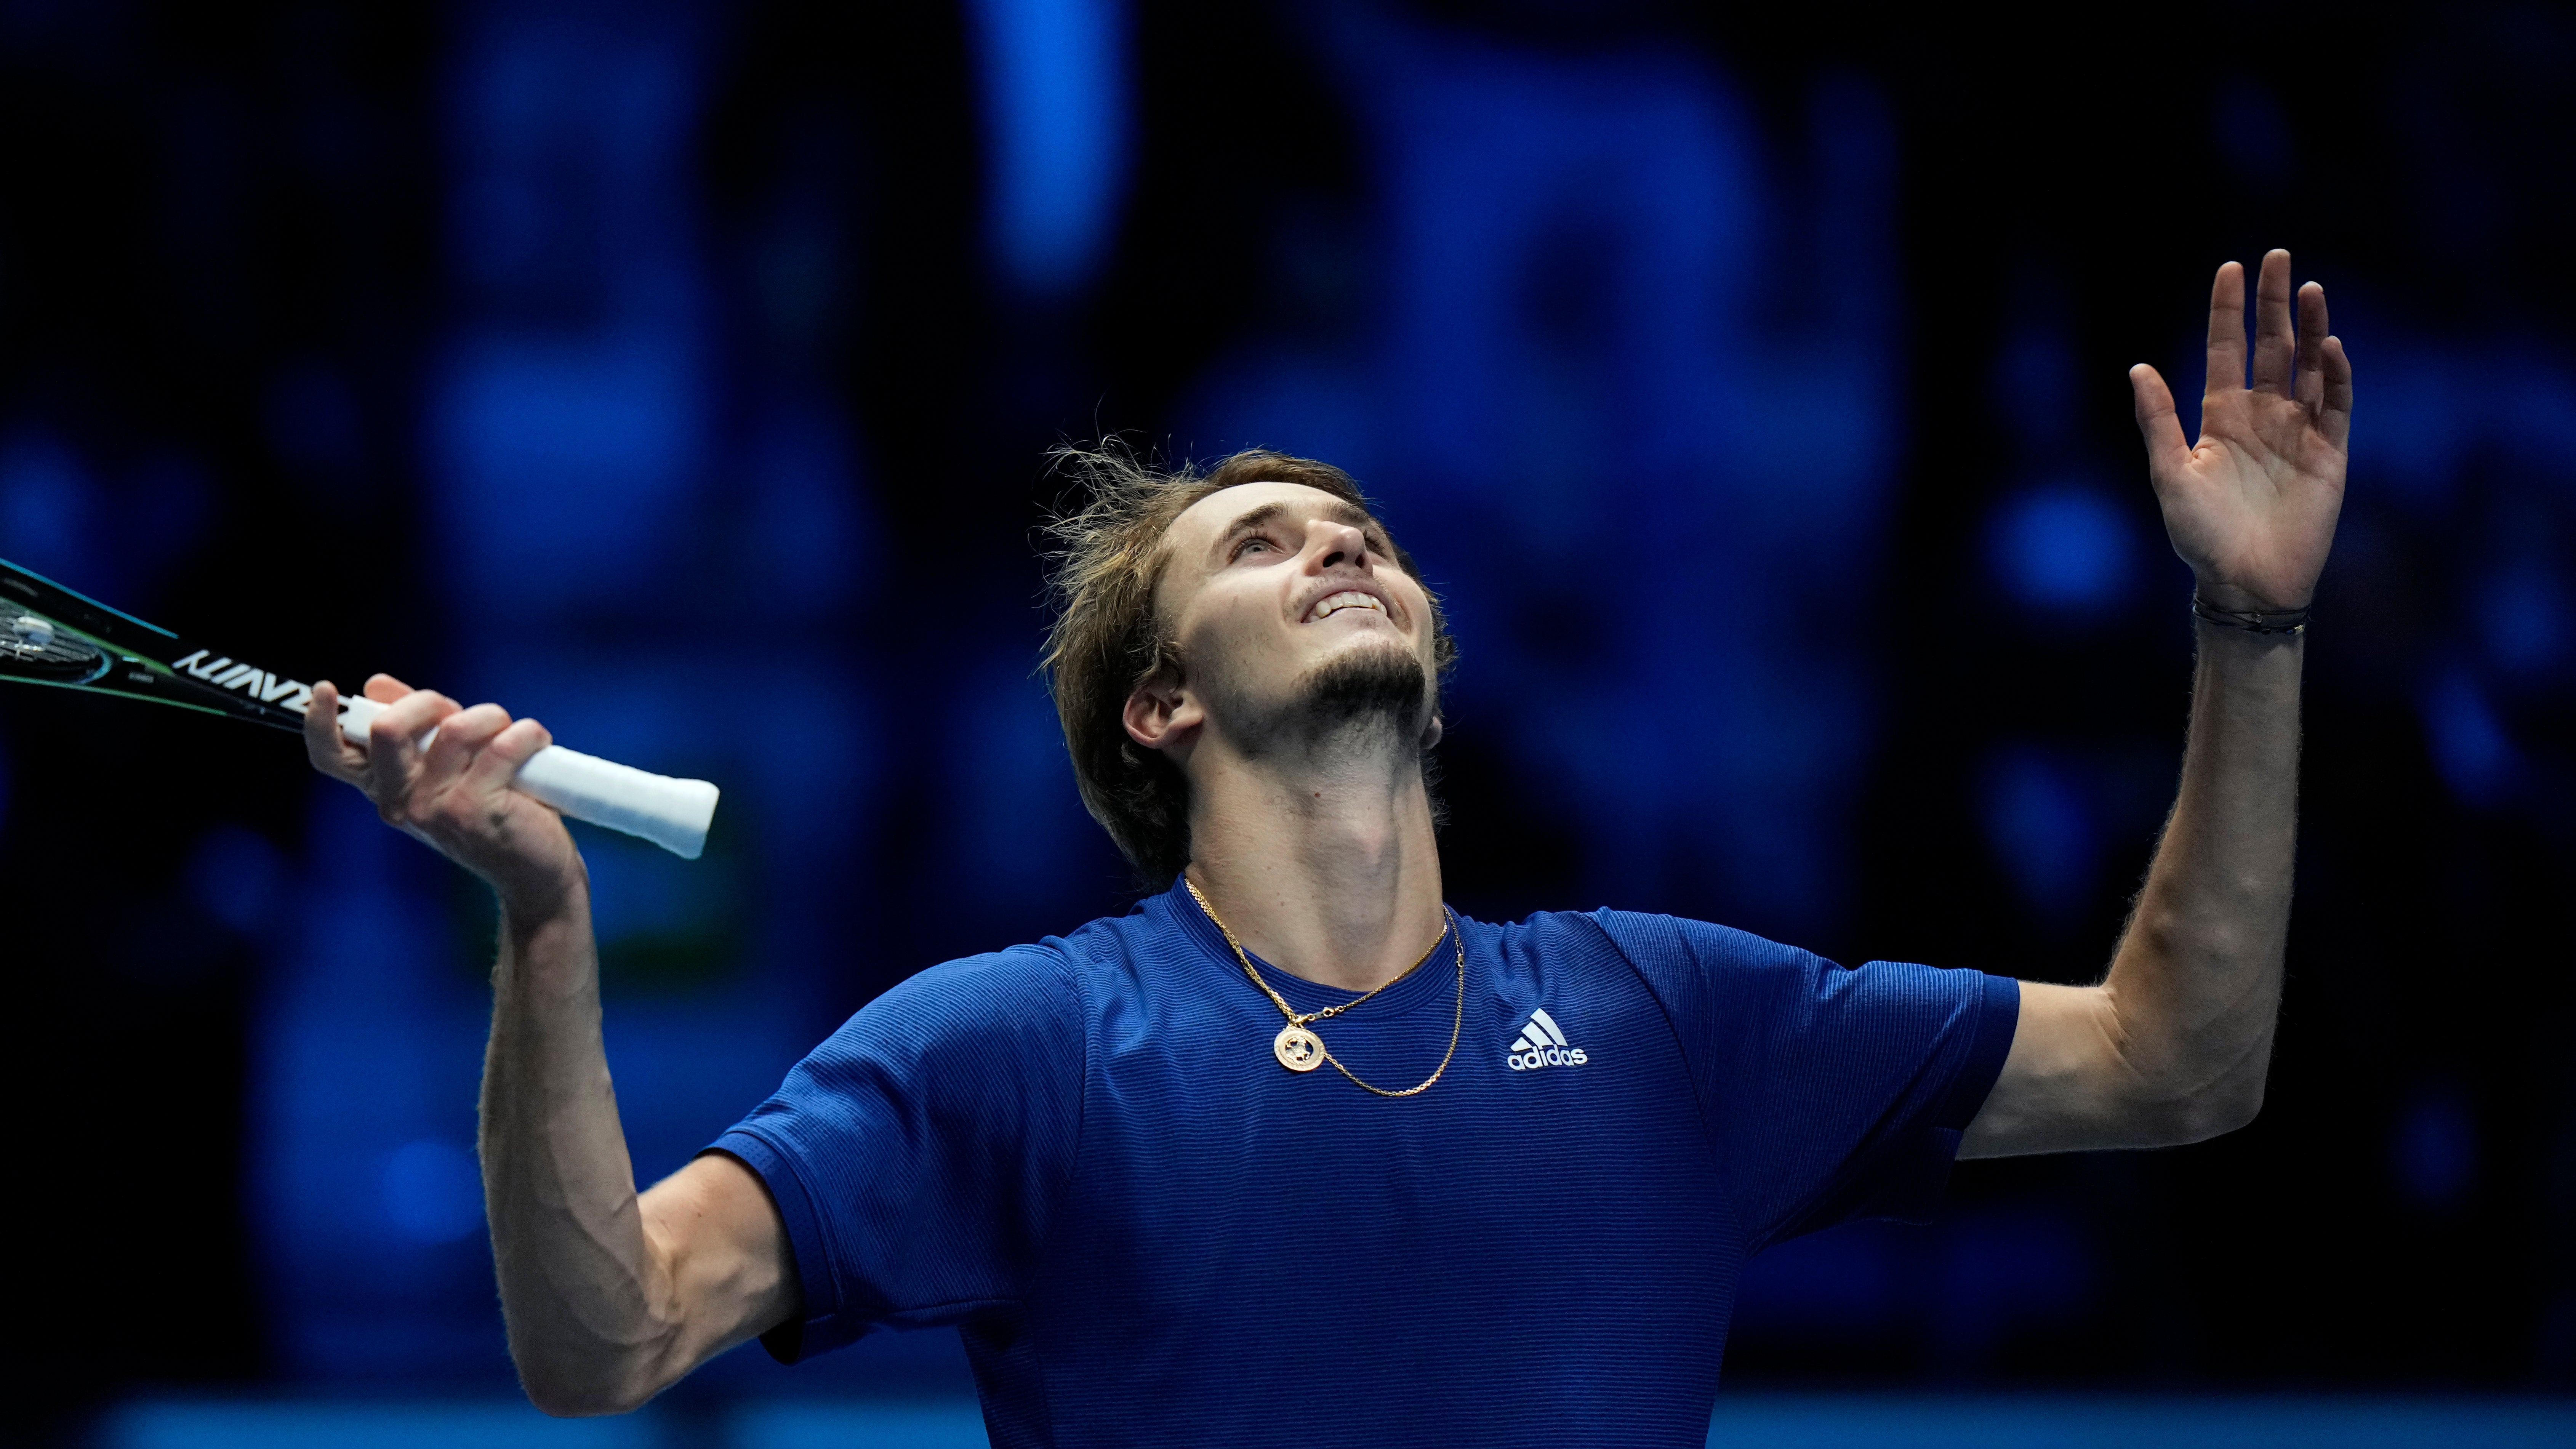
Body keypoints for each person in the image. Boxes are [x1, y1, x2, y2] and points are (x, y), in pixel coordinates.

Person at [304, 249, 2351, 1445]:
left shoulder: (1674, 1013)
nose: (1341, 543)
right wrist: (546, 923)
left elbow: (2181, 1060)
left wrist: (2251, 631)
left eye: (1359, 531)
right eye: (1259, 546)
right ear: (1161, 706)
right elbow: (602, 1340)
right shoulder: (1013, 1047)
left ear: (1438, 666)